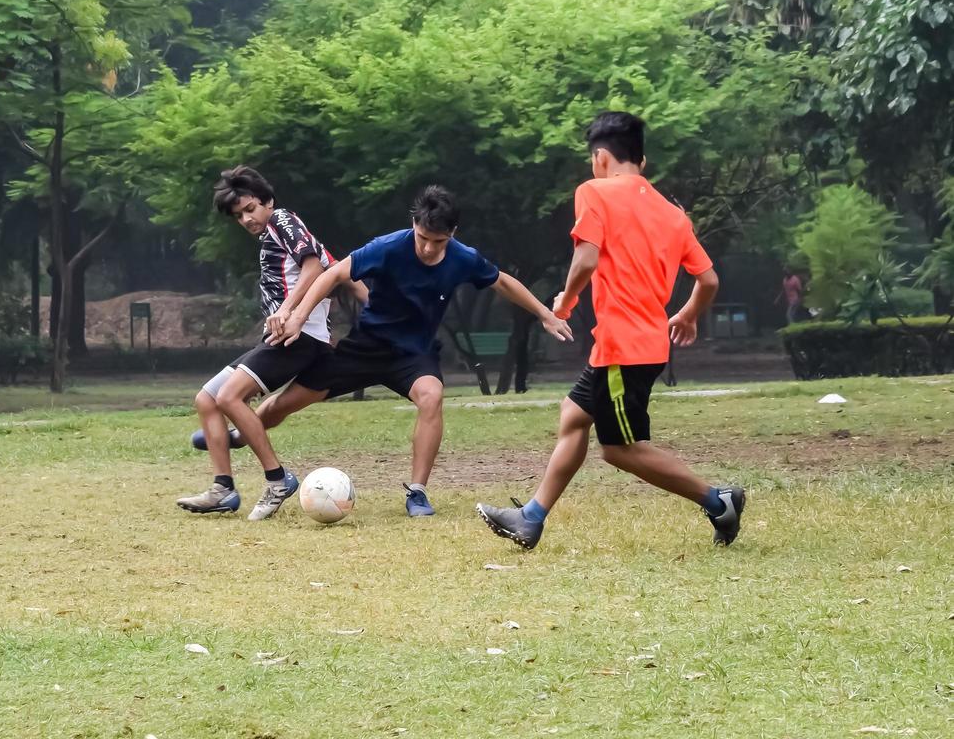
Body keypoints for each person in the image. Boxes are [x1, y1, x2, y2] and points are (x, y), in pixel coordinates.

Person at [476, 111, 745, 550]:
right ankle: (531, 518)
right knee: (573, 415)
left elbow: (586, 259)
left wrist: (565, 300)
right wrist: (690, 314)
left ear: (601, 158)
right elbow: (709, 280)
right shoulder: (672, 214)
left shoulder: (594, 192)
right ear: (644, 159)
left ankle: (719, 501)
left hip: (625, 347)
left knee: (620, 449)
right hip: (639, 343)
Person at [258, 184, 574, 516]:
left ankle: (417, 493)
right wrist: (296, 316)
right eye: (422, 237)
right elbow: (334, 273)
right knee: (285, 404)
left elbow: (502, 281)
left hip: (413, 353)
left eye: (438, 241)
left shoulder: (462, 257)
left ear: (452, 233)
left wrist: (544, 314)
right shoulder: (389, 247)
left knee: (431, 395)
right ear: (414, 225)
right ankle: (242, 431)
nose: (427, 247)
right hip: (365, 347)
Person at [177, 166, 365, 520]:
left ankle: (278, 479)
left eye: (250, 209)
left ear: (267, 202)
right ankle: (223, 489)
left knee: (230, 396)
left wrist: (289, 311)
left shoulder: (281, 220)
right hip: (286, 336)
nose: (246, 219)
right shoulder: (278, 235)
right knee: (206, 399)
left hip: (300, 336)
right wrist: (372, 304)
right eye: (238, 216)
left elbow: (312, 268)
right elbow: (336, 266)